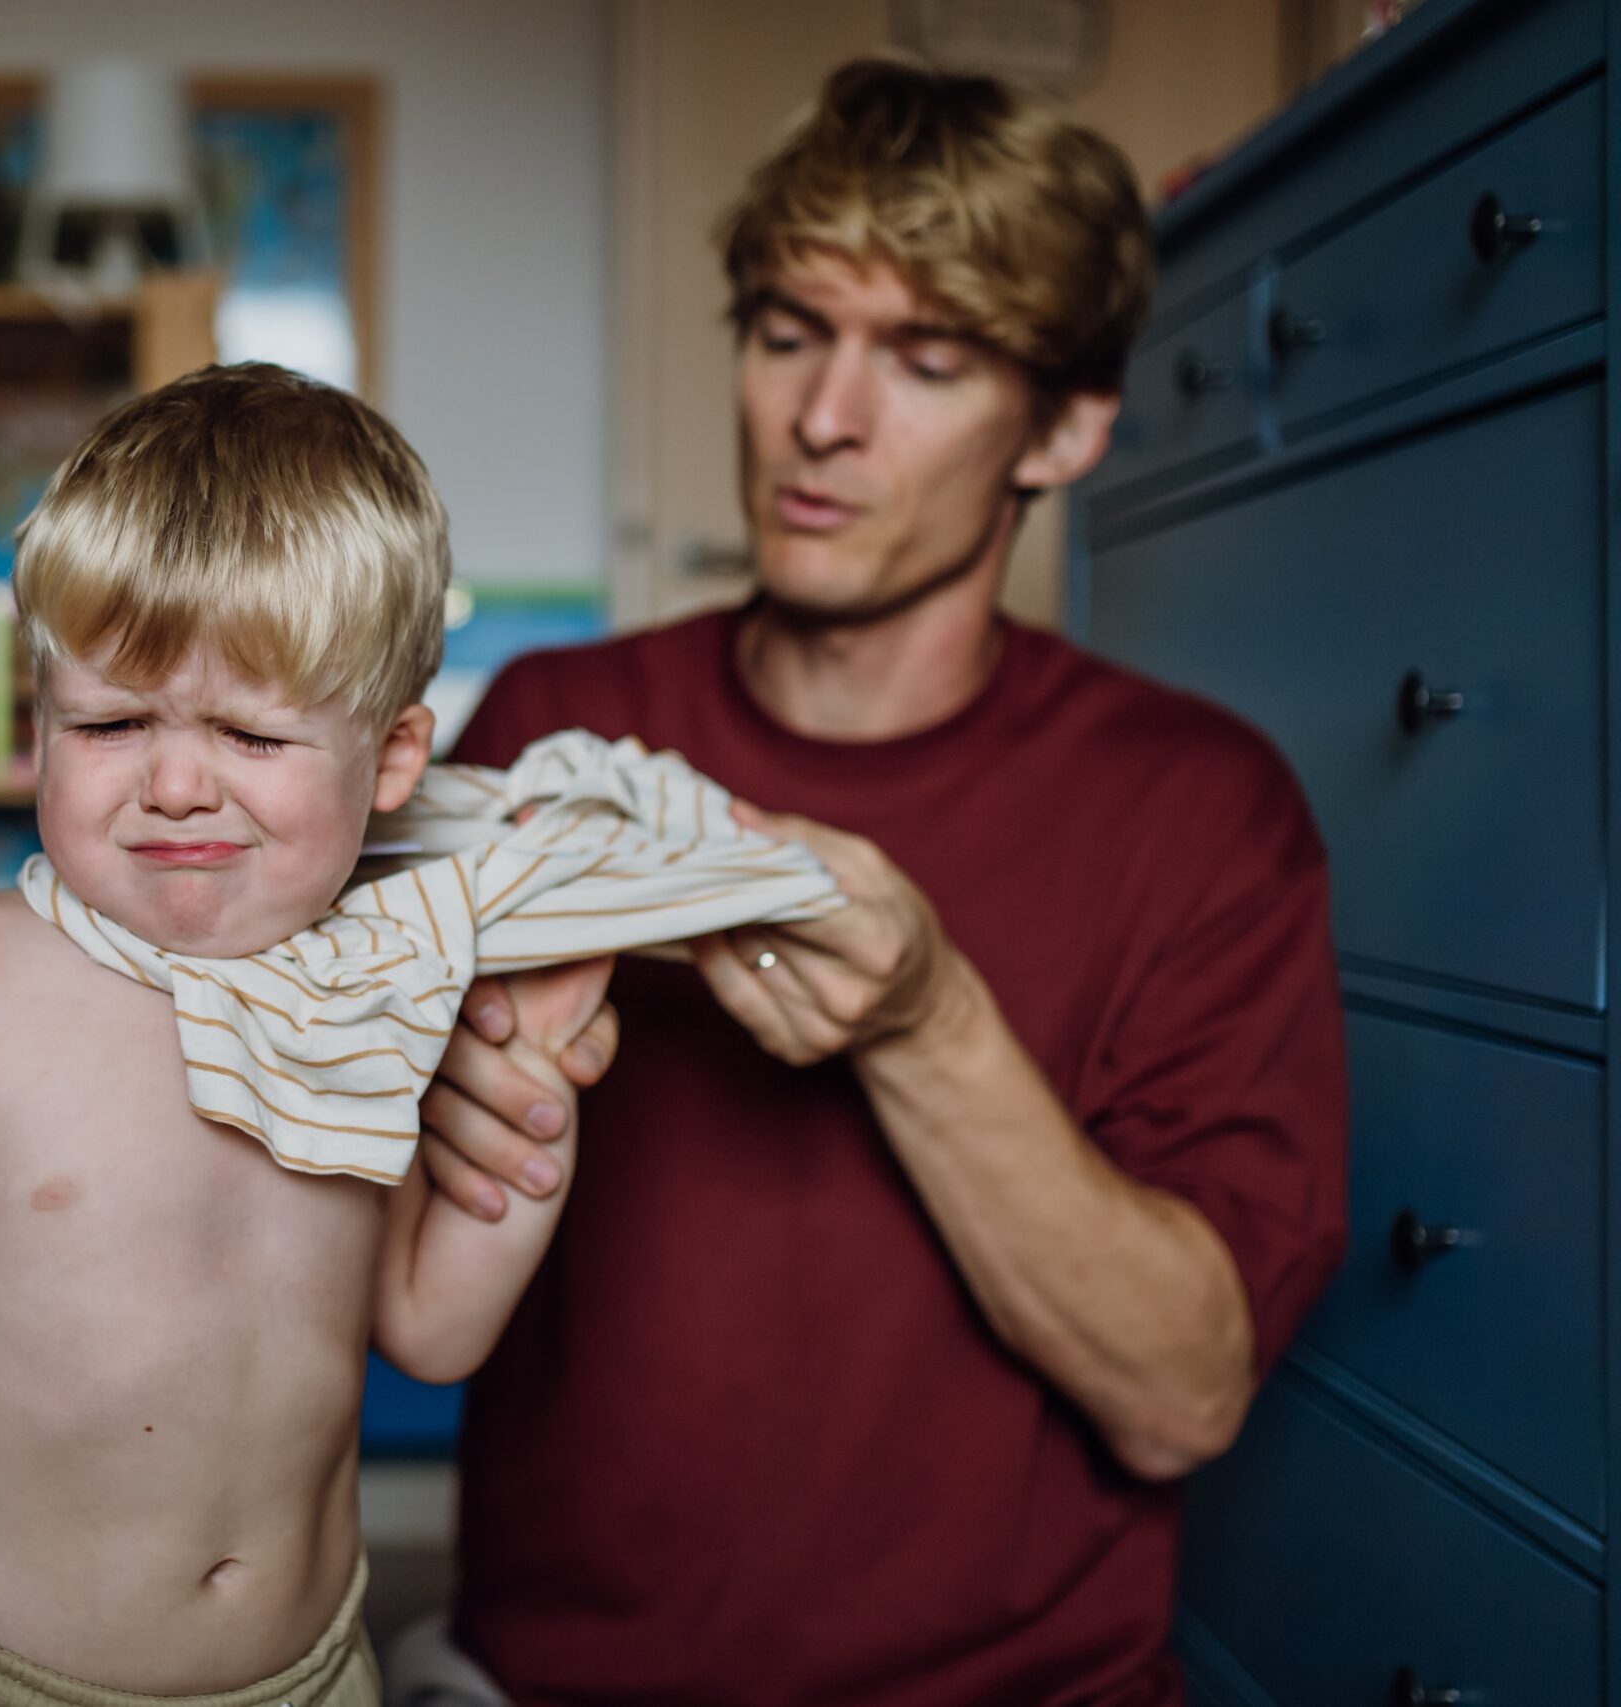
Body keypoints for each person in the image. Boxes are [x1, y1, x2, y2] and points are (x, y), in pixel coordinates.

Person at [409, 60, 1351, 1706]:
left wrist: (926, 1024)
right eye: (787, 333)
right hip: (547, 1679)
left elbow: (1186, 1396)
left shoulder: (1204, 810)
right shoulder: (562, 725)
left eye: (927, 361)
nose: (821, 419)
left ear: (1064, 426)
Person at [0, 363, 650, 1707]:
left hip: (310, 1674)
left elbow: (427, 1331)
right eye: (107, 722)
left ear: (393, 759)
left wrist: (538, 1113)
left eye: (249, 733)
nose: (172, 783)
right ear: (39, 715)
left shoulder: (374, 993)